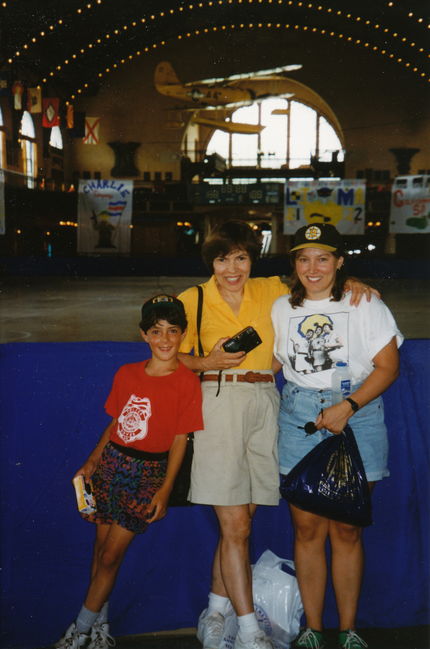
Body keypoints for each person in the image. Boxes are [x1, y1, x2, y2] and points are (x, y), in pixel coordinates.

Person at [177, 220, 377, 649]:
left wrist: (354, 280)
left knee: (242, 522)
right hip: (218, 402)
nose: (232, 268)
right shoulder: (191, 299)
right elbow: (169, 357)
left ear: (252, 260)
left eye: (241, 258)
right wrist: (205, 361)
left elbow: (317, 275)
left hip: (267, 403)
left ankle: (215, 608)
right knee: (235, 526)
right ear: (209, 262)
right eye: (221, 259)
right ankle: (249, 631)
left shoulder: (270, 290)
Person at [271, 223, 403, 649]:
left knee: (346, 530)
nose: (313, 268)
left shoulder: (365, 303)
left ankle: (348, 630)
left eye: (323, 258)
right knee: (307, 529)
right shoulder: (279, 308)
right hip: (300, 416)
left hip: (356, 412)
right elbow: (272, 365)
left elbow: (388, 367)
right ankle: (313, 628)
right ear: (293, 264)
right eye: (303, 258)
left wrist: (348, 407)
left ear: (340, 262)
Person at [55, 295, 203, 649]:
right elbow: (115, 422)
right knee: (99, 552)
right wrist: (92, 460)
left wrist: (165, 490)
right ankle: (101, 629)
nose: (164, 339)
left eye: (172, 331)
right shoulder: (127, 374)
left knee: (110, 556)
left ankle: (80, 631)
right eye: (156, 331)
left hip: (147, 474)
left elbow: (181, 441)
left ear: (183, 334)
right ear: (143, 335)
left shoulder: (186, 382)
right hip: (111, 466)